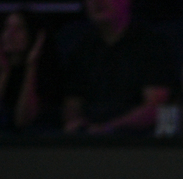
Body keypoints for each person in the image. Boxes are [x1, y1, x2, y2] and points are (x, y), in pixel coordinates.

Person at [63, 0, 176, 135]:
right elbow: (72, 103)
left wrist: (108, 128)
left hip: (140, 143)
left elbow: (156, 108)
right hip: (89, 142)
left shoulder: (151, 44)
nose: (97, 2)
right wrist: (75, 125)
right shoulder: (82, 49)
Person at [0, 11, 61, 134]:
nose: (10, 34)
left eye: (19, 28)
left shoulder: (45, 73)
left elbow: (22, 121)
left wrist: (31, 66)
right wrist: (4, 72)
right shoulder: (1, 71)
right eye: (7, 28)